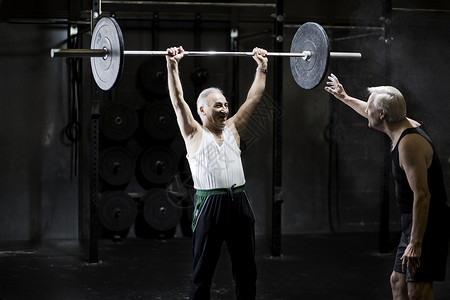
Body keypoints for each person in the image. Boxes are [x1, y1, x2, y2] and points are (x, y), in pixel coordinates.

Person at [325, 73, 450, 299]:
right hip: (413, 221)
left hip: (428, 223)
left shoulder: (409, 144)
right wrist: (344, 97)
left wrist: (416, 243)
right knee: (398, 283)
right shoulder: (400, 123)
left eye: (371, 108)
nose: (367, 111)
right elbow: (371, 110)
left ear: (382, 114)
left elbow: (423, 195)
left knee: (417, 290)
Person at [166, 46, 268, 300]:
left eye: (225, 105)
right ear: (202, 111)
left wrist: (262, 67)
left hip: (239, 203)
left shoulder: (233, 128)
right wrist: (172, 65)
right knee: (203, 273)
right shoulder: (194, 133)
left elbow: (254, 98)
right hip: (211, 204)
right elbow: (178, 102)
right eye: (217, 106)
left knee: (246, 271)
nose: (223, 110)